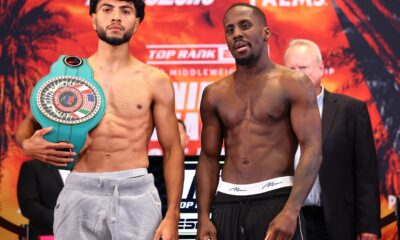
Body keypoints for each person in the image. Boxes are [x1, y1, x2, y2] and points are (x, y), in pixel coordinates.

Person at [15, 0, 184, 239]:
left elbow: (172, 150)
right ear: (94, 18)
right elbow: (26, 126)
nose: (116, 17)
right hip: (80, 189)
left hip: (135, 191)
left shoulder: (155, 80)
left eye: (125, 11)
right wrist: (26, 143)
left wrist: (172, 216)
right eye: (107, 9)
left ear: (136, 23)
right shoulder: (70, 76)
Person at [196, 3, 322, 240]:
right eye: (230, 30)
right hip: (226, 204)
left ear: (266, 32)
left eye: (245, 26)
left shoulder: (293, 83)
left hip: (276, 198)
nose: (237, 34)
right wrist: (203, 216)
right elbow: (208, 157)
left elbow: (312, 150)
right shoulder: (214, 93)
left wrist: (291, 210)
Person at [283, 39, 380, 240]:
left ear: (321, 69)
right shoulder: (274, 113)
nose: (297, 74)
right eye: (290, 68)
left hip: (336, 221)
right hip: (287, 221)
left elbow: (366, 173)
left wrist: (368, 225)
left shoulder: (351, 111)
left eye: (303, 67)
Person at [17, 159, 69, 240]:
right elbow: (28, 205)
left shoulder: (84, 168)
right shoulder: (32, 167)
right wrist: (63, 219)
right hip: (46, 234)